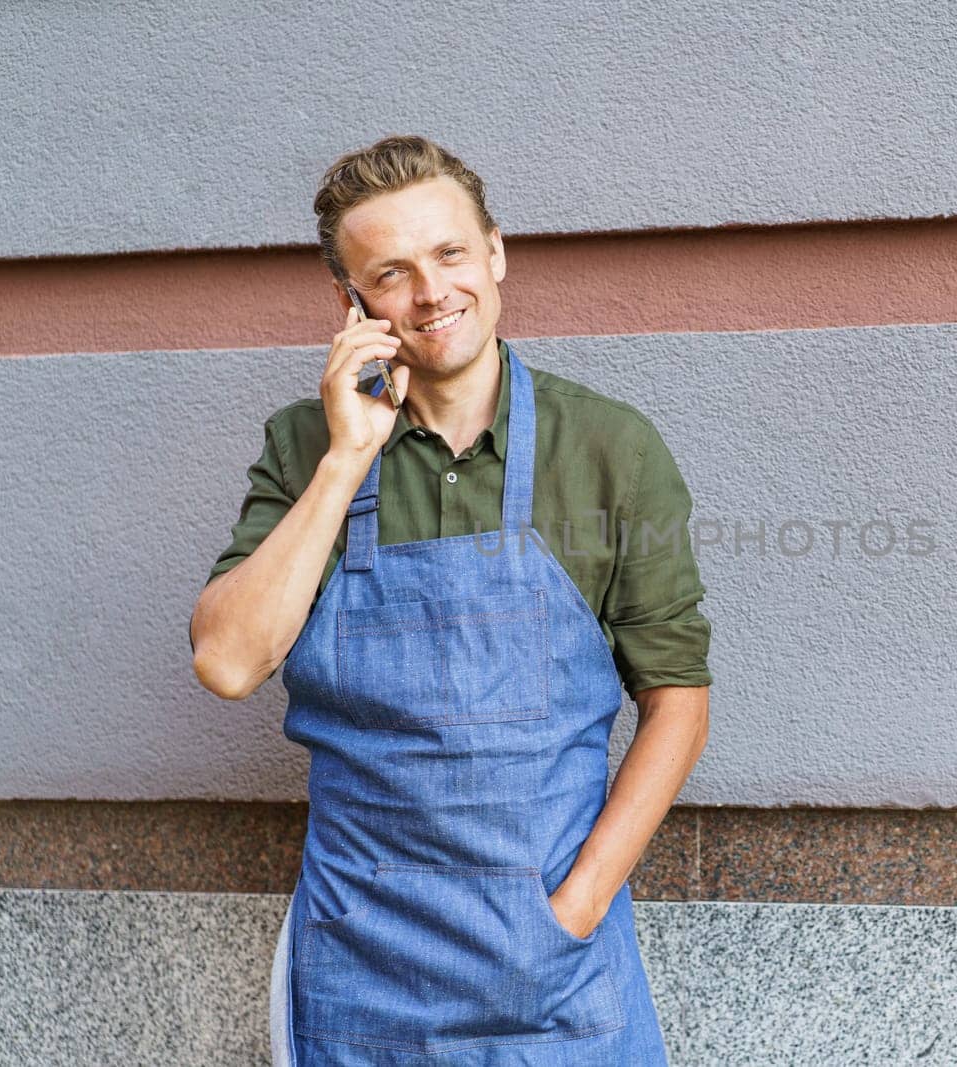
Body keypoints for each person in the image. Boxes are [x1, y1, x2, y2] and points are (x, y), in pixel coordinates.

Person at [188, 134, 712, 1065]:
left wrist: (574, 909)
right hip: (360, 963)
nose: (431, 293)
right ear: (350, 302)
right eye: (391, 272)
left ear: (497, 253)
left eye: (451, 253)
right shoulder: (308, 443)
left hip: (555, 961)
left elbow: (677, 697)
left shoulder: (608, 448)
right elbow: (228, 661)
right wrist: (349, 453)